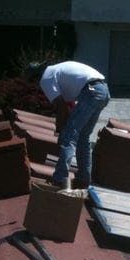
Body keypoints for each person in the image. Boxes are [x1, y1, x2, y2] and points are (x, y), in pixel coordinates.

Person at [26, 60, 110, 189]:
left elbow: (61, 107)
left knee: (68, 138)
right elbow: (69, 107)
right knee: (83, 137)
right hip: (103, 90)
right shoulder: (56, 71)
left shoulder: (46, 78)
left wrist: (61, 131)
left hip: (91, 92)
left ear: (35, 77)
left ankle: (59, 179)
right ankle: (84, 179)